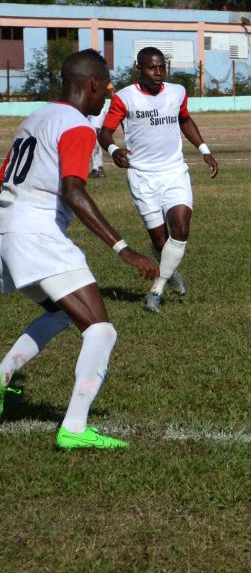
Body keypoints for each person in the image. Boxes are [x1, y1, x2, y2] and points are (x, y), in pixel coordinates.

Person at [0, 49, 159, 449]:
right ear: (90, 84)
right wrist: (123, 248)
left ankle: (1, 377)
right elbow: (73, 191)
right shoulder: (76, 125)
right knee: (101, 330)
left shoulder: (34, 119)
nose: (107, 95)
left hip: (7, 229)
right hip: (37, 234)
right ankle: (74, 427)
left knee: (58, 314)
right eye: (105, 87)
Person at [98, 47, 219, 313]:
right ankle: (170, 271)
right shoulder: (124, 98)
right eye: (152, 67)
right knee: (160, 242)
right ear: (138, 68)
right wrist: (114, 150)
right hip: (142, 177)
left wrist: (205, 151)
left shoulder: (177, 92)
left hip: (174, 172)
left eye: (162, 67)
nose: (159, 72)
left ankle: (156, 290)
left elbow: (185, 121)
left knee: (182, 229)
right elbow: (104, 133)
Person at [88, 84, 111, 178]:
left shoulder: (100, 77)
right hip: (89, 107)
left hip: (99, 107)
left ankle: (97, 168)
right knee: (93, 138)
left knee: (93, 135)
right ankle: (98, 167)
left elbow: (110, 88)